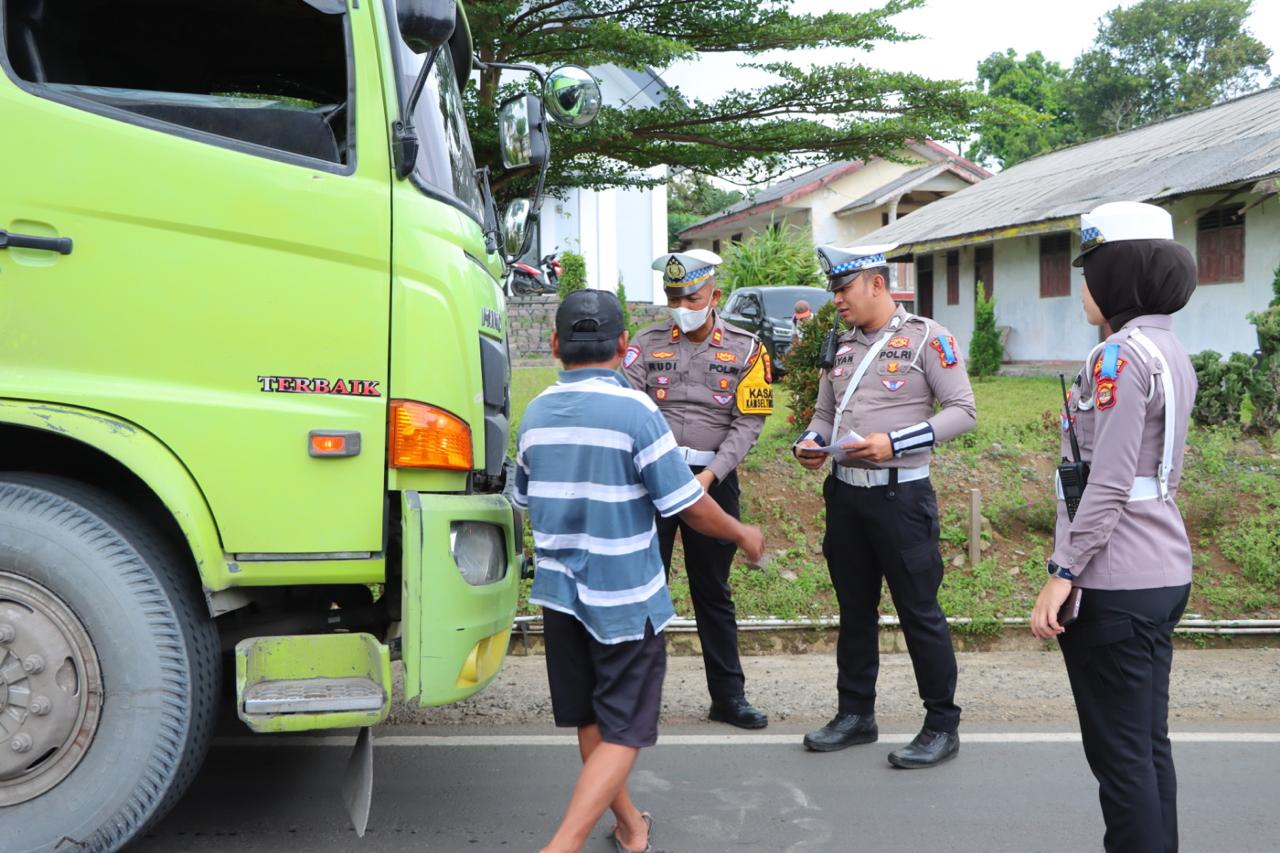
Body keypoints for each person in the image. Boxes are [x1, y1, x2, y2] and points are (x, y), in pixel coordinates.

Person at [515, 289, 765, 853]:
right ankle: (563, 845)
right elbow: (686, 504)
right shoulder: (636, 410)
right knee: (625, 728)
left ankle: (630, 826)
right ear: (624, 345)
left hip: (559, 595)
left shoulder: (535, 412)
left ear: (555, 346)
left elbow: (525, 495)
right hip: (623, 599)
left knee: (592, 718)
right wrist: (741, 531)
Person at [1030, 201, 1198, 853]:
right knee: (1147, 750)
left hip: (1115, 578)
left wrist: (1062, 570)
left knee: (1122, 764)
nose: (1083, 286)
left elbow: (1109, 482)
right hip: (1163, 567)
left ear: (1119, 274)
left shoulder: (1118, 356)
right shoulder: (1170, 348)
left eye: (1090, 268)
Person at [793, 243, 976, 768]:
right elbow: (825, 415)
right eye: (833, 291)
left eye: (843, 290)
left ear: (876, 284)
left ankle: (942, 724)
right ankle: (856, 714)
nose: (837, 301)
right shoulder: (841, 346)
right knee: (854, 610)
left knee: (920, 612)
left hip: (901, 496)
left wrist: (893, 442)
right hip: (845, 495)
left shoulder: (927, 339)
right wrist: (809, 441)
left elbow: (963, 411)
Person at [623, 250, 774, 729]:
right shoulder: (646, 343)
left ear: (715, 296)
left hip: (713, 479)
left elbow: (748, 424)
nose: (680, 304)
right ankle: (636, 697)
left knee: (713, 591)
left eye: (690, 295)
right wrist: (663, 474)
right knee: (647, 590)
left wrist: (709, 478)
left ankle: (729, 697)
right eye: (672, 296)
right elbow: (630, 406)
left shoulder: (750, 349)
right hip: (651, 483)